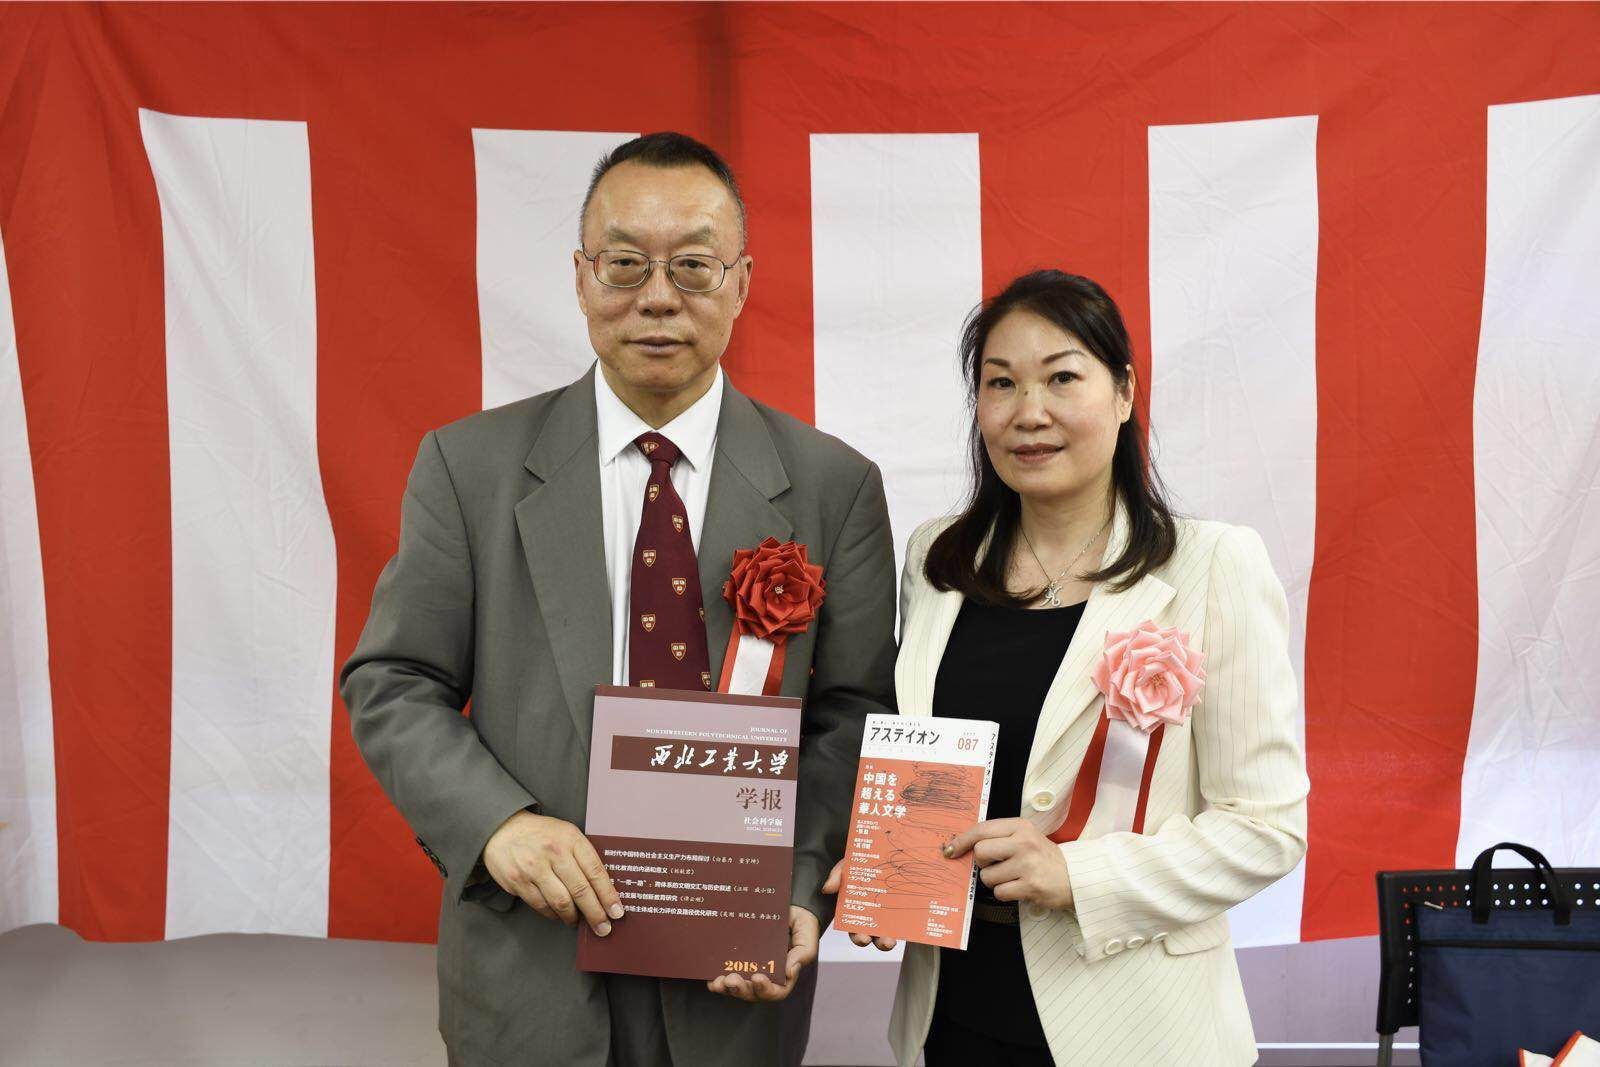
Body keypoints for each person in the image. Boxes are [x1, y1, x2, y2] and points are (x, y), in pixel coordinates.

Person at [341, 132, 898, 1067]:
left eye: (693, 266)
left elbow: (854, 712)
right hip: (531, 965)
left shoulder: (832, 486)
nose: (658, 297)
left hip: (733, 980)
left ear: (742, 282)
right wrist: (498, 825)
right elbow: (393, 680)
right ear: (580, 276)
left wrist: (800, 882)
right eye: (626, 263)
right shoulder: (468, 467)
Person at [825, 270, 1309, 1065]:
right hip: (950, 1010)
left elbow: (1266, 828)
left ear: (1124, 392)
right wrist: (888, 865)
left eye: (1061, 378)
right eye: (1001, 383)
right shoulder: (937, 558)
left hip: (1135, 1027)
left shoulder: (1212, 564)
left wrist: (1078, 874)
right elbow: (922, 762)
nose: (1029, 412)